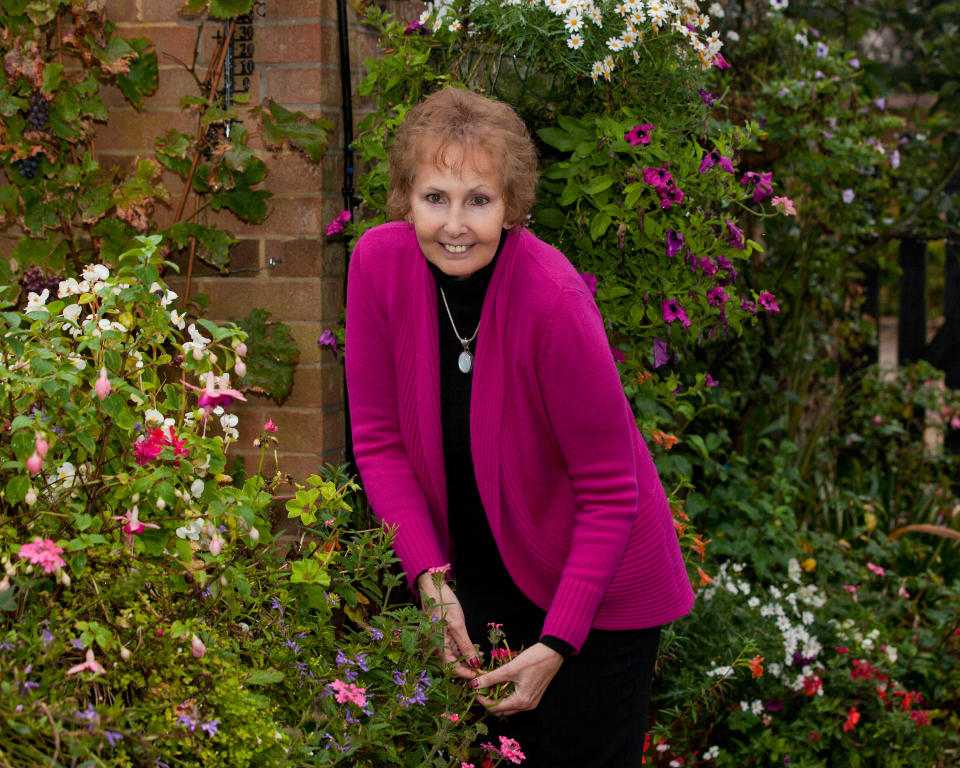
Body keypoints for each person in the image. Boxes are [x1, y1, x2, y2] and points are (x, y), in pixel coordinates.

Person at [345, 86, 694, 767]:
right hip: (470, 582)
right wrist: (431, 582)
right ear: (405, 199)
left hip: (595, 595)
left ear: (512, 205)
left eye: (479, 199)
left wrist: (559, 641)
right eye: (435, 197)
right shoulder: (378, 266)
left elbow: (609, 491)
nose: (455, 223)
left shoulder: (552, 298)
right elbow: (379, 445)